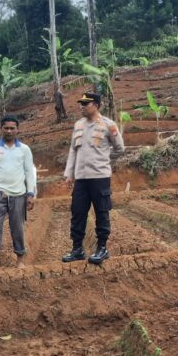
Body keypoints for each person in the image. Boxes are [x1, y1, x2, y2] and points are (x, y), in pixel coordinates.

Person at [62, 92, 125, 265]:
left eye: (86, 103)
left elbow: (119, 148)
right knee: (78, 213)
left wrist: (103, 157)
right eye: (81, 103)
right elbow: (73, 151)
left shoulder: (108, 125)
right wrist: (69, 174)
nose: (82, 106)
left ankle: (102, 248)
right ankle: (77, 249)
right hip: (81, 179)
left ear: (96, 105)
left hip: (100, 177)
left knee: (102, 213)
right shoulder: (78, 125)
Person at [0, 115, 37, 268]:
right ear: (1, 129)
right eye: (6, 128)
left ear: (17, 130)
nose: (9, 131)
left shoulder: (24, 150)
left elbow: (29, 172)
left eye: (12, 128)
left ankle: (20, 259)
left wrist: (31, 194)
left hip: (18, 194)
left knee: (17, 228)